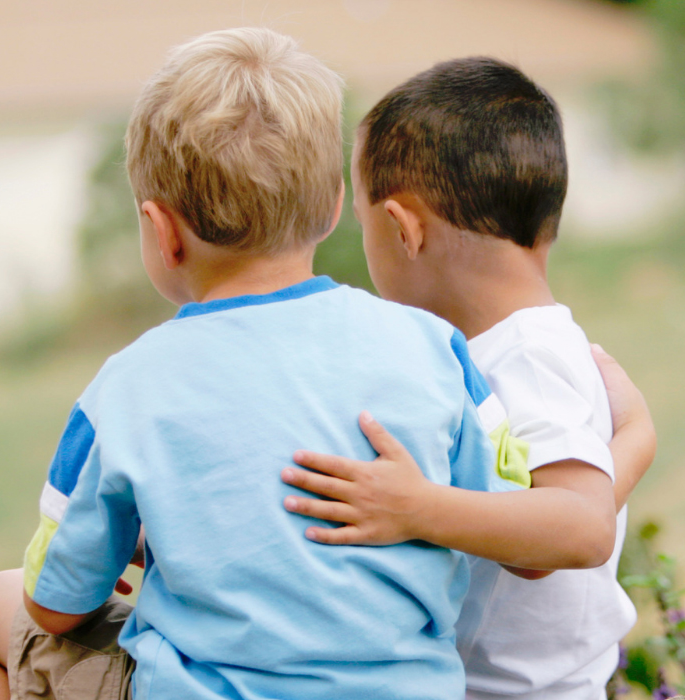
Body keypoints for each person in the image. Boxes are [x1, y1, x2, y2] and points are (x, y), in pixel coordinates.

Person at [0, 29, 631, 700]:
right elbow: (512, 523)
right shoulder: (437, 351)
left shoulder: (125, 388)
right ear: (335, 204)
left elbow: (55, 606)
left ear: (161, 231)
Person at [281, 57, 657, 699]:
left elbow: (576, 531)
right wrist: (637, 438)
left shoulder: (526, 357)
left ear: (402, 231)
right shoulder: (498, 349)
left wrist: (415, 509)